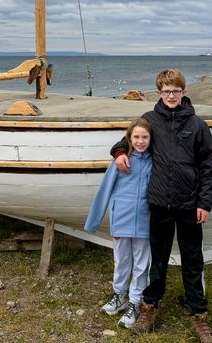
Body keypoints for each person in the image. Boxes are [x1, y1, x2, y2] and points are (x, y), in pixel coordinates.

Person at [111, 69, 212, 342]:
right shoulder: (150, 120)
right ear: (159, 93)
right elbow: (126, 140)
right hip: (159, 204)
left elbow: (207, 167)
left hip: (189, 204)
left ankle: (199, 315)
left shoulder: (198, 125)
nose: (171, 96)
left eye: (176, 91)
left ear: (183, 92)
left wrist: (205, 202)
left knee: (192, 259)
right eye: (166, 91)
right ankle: (149, 308)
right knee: (157, 259)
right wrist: (120, 153)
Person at [84, 118, 154, 329]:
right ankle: (119, 295)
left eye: (145, 137)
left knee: (142, 264)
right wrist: (93, 222)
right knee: (122, 260)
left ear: (151, 138)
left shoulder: (155, 161)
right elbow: (104, 190)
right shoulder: (121, 161)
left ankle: (135, 302)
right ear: (129, 138)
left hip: (145, 221)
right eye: (136, 137)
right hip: (121, 219)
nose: (140, 141)